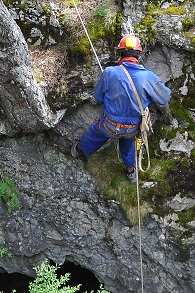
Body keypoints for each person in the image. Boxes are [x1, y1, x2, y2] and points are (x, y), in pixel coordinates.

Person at [71, 35, 171, 183]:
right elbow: (164, 97)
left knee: (95, 133)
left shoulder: (110, 72)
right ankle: (131, 172)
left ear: (120, 53)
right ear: (139, 54)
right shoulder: (147, 77)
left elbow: (98, 97)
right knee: (127, 145)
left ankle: (79, 150)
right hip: (132, 129)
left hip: (109, 126)